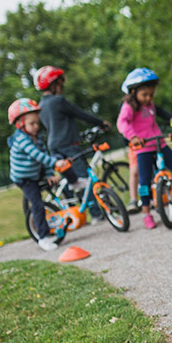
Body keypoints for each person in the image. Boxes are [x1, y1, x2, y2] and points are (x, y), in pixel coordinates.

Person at [117, 68, 172, 228]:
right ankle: (146, 212)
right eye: (145, 95)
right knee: (144, 182)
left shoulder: (149, 104)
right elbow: (122, 122)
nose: (148, 98)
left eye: (151, 94)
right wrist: (133, 137)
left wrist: (171, 117)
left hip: (159, 143)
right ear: (133, 92)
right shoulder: (129, 106)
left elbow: (160, 111)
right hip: (142, 147)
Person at [7, 98, 72, 252]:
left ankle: (74, 187)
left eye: (37, 122)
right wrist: (55, 164)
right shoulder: (21, 139)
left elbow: (44, 155)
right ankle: (43, 237)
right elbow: (37, 155)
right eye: (32, 124)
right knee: (37, 204)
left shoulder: (37, 137)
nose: (36, 126)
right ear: (20, 124)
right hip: (24, 178)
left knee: (60, 168)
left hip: (36, 171)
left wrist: (50, 174)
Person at [33, 65, 108, 196]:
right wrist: (101, 123)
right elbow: (81, 114)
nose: (62, 86)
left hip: (53, 146)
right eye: (60, 82)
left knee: (70, 179)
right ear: (53, 84)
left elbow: (58, 125)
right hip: (68, 145)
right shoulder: (58, 101)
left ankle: (71, 207)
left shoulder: (41, 106)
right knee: (84, 179)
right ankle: (97, 215)